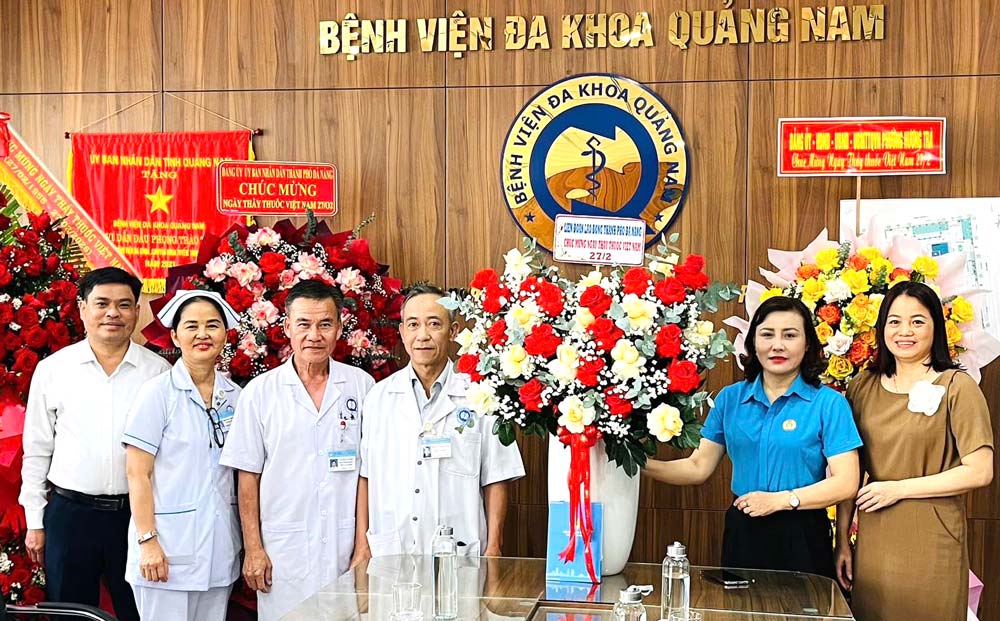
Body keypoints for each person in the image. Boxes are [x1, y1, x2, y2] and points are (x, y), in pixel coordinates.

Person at [644, 296, 862, 577]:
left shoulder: (829, 404)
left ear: (807, 344)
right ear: (753, 343)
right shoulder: (730, 399)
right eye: (767, 334)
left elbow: (846, 482)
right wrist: (638, 466)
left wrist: (781, 500)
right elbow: (697, 467)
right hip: (744, 529)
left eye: (790, 335)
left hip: (803, 531)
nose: (777, 345)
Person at [836, 281, 993, 620]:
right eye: (894, 321)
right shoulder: (862, 386)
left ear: (935, 326)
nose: (904, 331)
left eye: (917, 321)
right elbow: (848, 471)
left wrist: (899, 488)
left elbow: (980, 470)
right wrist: (842, 540)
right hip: (874, 540)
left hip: (933, 539)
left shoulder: (956, 386)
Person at [20, 267, 171, 620]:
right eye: (101, 303)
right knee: (70, 614)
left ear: (137, 310)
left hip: (135, 517)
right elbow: (38, 448)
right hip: (70, 516)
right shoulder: (54, 369)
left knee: (140, 611)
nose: (113, 313)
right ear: (82, 308)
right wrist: (34, 520)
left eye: (124, 304)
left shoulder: (158, 373)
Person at [219, 280, 375, 620]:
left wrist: (363, 545)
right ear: (287, 326)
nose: (314, 335)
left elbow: (368, 474)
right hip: (283, 551)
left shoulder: (362, 387)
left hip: (344, 545)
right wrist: (254, 548)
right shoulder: (260, 393)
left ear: (339, 327)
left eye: (325, 324)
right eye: (303, 324)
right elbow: (247, 477)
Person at [361, 284, 525, 558]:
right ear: (402, 332)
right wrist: (362, 545)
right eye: (413, 324)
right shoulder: (378, 397)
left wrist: (494, 547)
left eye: (434, 323)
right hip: (392, 551)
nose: (422, 335)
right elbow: (366, 477)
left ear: (453, 331)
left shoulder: (479, 395)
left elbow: (497, 477)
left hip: (461, 549)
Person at [122, 290, 243, 620]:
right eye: (192, 326)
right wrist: (147, 541)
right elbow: (137, 473)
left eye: (212, 325)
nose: (202, 334)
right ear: (175, 335)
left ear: (225, 335)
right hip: (165, 554)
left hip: (219, 550)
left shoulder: (237, 397)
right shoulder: (157, 394)